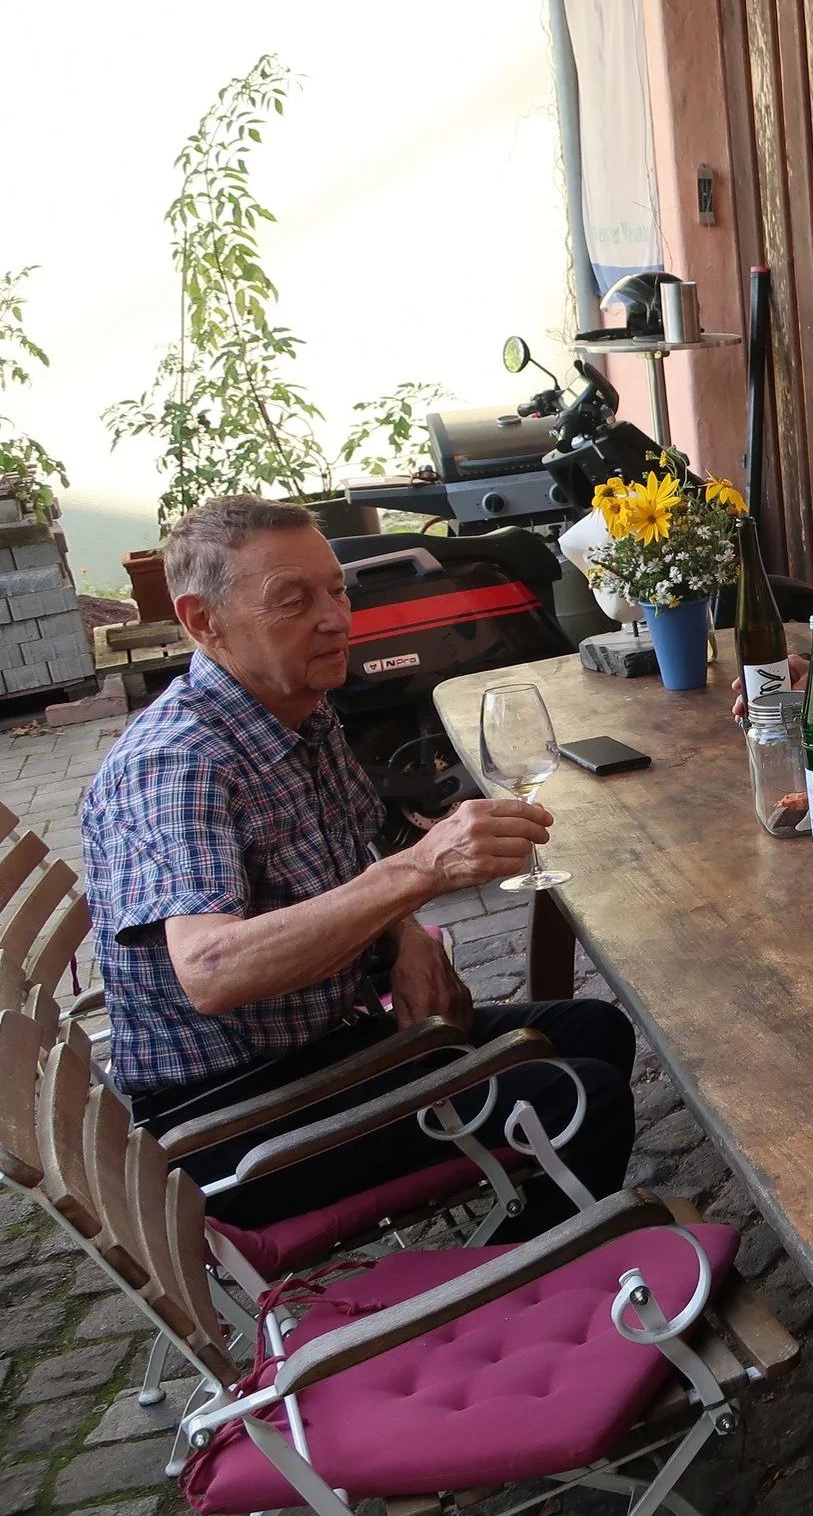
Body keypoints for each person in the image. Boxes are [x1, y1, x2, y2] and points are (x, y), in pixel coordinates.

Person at [81, 496, 637, 1240]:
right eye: (293, 599)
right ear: (203, 621)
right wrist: (417, 873)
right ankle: (495, 1299)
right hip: (233, 1125)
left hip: (322, 1046)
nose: (337, 617)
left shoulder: (300, 710)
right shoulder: (178, 762)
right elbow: (211, 968)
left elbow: (352, 859)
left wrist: (406, 935)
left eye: (337, 590)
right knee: (582, 1095)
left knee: (596, 1029)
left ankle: (529, 1247)